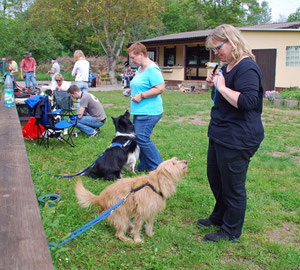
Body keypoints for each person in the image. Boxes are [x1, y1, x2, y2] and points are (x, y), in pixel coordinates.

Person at [198, 24, 264, 242]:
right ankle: (219, 217)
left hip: (239, 137)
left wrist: (223, 87)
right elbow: (220, 100)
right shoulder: (226, 66)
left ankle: (231, 231)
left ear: (231, 41)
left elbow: (247, 102)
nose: (216, 53)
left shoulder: (247, 67)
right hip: (220, 133)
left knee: (233, 187)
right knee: (216, 179)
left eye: (218, 48)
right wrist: (214, 86)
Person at [126, 42, 165, 171]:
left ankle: (159, 168)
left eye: (133, 57)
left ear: (141, 54)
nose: (132, 60)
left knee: (142, 138)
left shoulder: (152, 69)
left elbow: (160, 88)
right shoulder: (140, 68)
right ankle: (145, 166)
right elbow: (143, 84)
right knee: (138, 138)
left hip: (150, 112)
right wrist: (132, 91)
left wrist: (141, 95)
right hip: (139, 111)